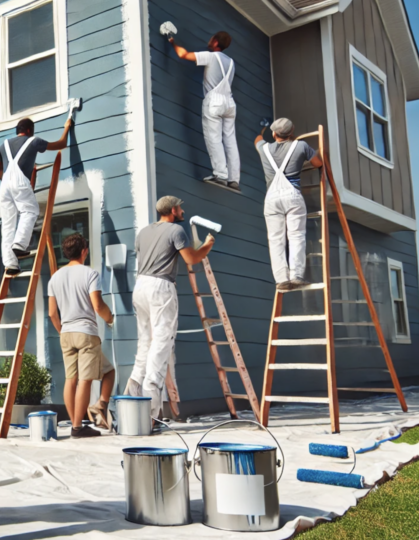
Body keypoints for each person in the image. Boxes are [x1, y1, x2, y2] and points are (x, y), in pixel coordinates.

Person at [127, 196, 214, 419]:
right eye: (180, 207)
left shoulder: (143, 232)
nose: (182, 210)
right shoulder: (176, 231)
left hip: (140, 286)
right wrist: (207, 246)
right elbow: (191, 259)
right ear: (173, 210)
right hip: (160, 286)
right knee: (162, 343)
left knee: (145, 341)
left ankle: (133, 394)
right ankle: (152, 413)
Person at [47, 233, 116, 437]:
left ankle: (77, 422)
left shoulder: (55, 277)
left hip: (66, 333)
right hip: (86, 333)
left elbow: (52, 313)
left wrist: (62, 331)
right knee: (85, 380)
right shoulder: (90, 274)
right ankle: (78, 427)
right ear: (84, 251)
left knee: (71, 379)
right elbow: (97, 305)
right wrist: (110, 319)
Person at [0, 117, 73, 274]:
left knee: (8, 224)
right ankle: (20, 244)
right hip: (19, 181)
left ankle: (10, 265)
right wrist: (67, 127)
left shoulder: (4, 145)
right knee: (30, 211)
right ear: (29, 130)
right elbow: (61, 144)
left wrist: (11, 183)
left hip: (4, 186)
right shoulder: (33, 141)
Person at [254, 117, 323, 291]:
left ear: (274, 133)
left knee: (275, 240)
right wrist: (319, 151)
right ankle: (296, 276)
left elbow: (257, 140)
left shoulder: (264, 149)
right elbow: (318, 163)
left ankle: (281, 280)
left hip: (272, 198)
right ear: (292, 132)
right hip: (292, 195)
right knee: (296, 236)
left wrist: (262, 130)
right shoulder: (301, 146)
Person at [169, 31, 240, 191]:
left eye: (211, 38)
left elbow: (183, 54)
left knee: (213, 137)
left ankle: (221, 175)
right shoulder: (231, 62)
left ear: (215, 42)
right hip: (229, 102)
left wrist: (172, 41)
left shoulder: (211, 56)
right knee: (230, 141)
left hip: (214, 101)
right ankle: (234, 179)